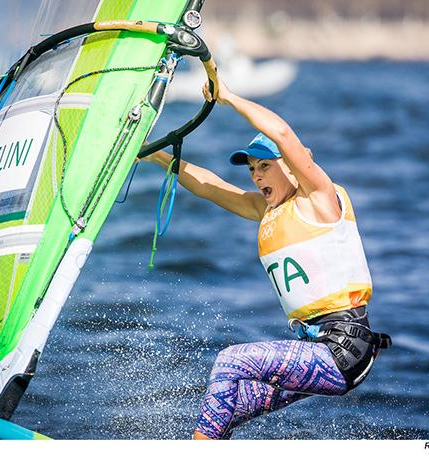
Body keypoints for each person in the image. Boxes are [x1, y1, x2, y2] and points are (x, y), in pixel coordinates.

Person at [138, 76, 391, 440]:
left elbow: (285, 136)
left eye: (265, 166)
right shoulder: (267, 209)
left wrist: (227, 96)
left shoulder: (319, 199)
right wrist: (155, 155)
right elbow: (210, 187)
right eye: (252, 169)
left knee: (231, 361)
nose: (257, 176)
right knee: (231, 406)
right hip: (317, 350)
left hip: (344, 348)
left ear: (292, 165)